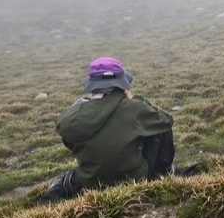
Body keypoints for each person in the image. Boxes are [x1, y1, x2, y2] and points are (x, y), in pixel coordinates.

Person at [40, 58, 175, 203]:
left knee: (72, 179)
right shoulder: (134, 108)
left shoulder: (74, 115)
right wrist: (137, 100)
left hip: (92, 180)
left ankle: (47, 201)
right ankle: (162, 173)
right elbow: (166, 120)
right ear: (122, 84)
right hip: (134, 178)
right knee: (159, 128)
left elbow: (69, 142)